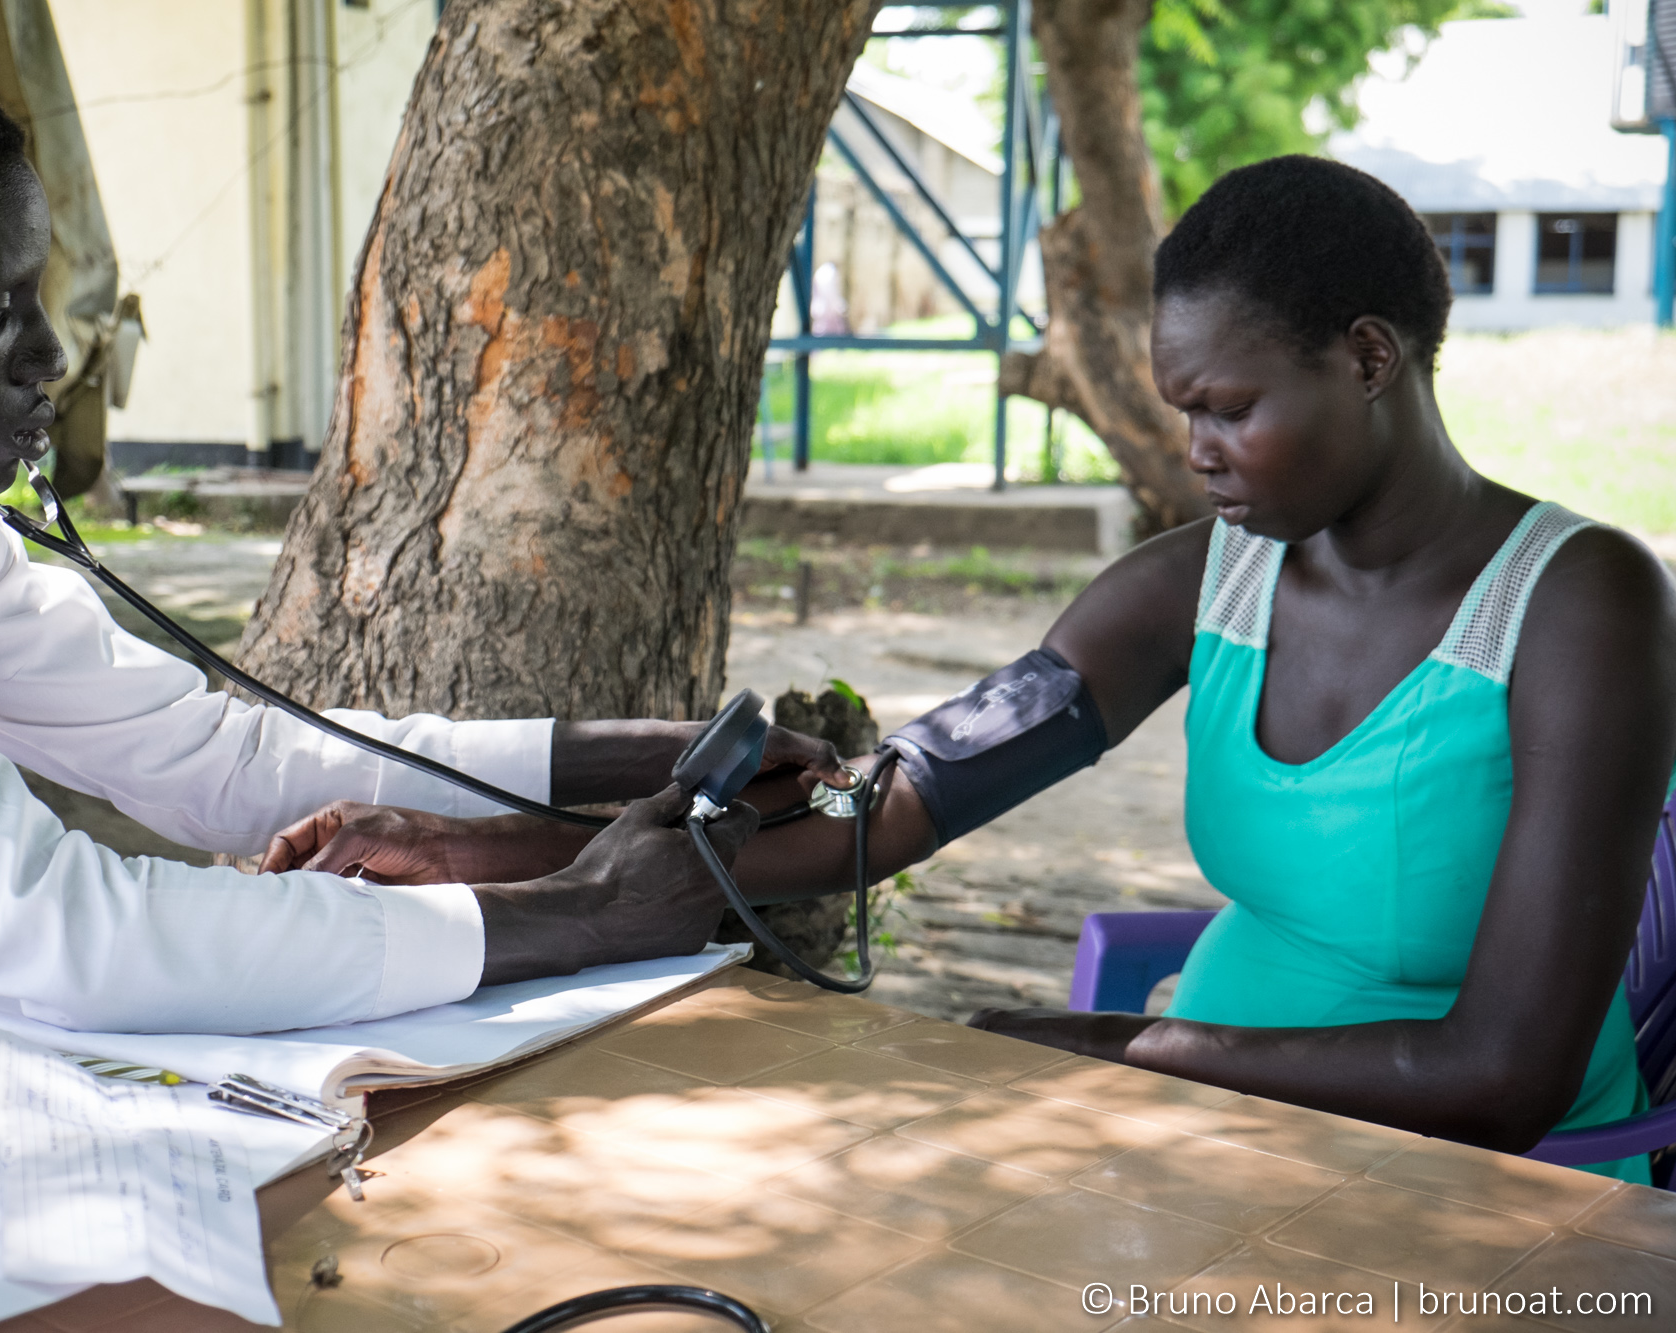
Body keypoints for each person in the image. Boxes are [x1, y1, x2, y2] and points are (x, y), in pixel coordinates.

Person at [296, 156, 1676, 1182]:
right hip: (1201, 1125)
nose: (1194, 449)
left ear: (1371, 359)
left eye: (1230, 409)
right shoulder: (1208, 580)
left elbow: (1504, 1076)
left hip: (1496, 1192)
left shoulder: (1580, 606)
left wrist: (1137, 1052)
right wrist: (496, 849)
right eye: (1179, 409)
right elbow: (902, 798)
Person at [0, 48, 844, 1092]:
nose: (50, 352)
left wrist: (630, 751)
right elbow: (45, 916)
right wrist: (575, 915)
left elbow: (209, 755)